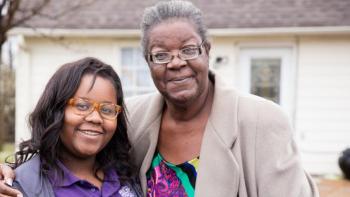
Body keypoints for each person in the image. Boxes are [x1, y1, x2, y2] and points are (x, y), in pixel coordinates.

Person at [0, 1, 319, 197]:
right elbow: (58, 148)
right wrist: (6, 173)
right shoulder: (133, 117)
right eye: (161, 54)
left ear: (207, 51)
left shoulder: (261, 120)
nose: (177, 62)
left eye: (189, 50)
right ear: (148, 62)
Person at [0, 57, 141, 197]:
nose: (96, 118)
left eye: (107, 110)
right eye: (82, 106)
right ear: (55, 110)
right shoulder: (19, 187)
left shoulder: (128, 174)